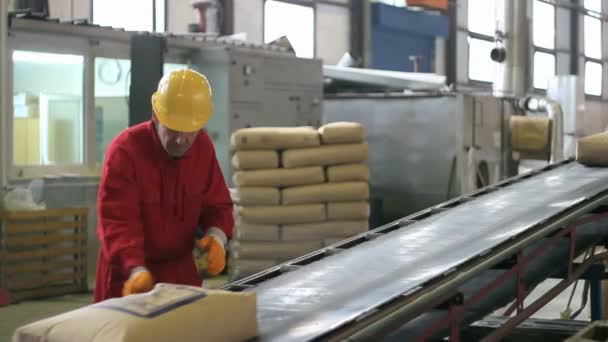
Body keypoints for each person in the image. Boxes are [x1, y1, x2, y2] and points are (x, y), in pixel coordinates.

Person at [93, 69, 233, 302]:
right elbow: (118, 222)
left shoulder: (202, 147)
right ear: (156, 115)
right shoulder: (125, 152)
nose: (181, 140)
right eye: (173, 129)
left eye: (189, 131)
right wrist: (134, 268)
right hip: (131, 276)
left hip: (181, 274)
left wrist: (217, 237)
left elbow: (218, 204)